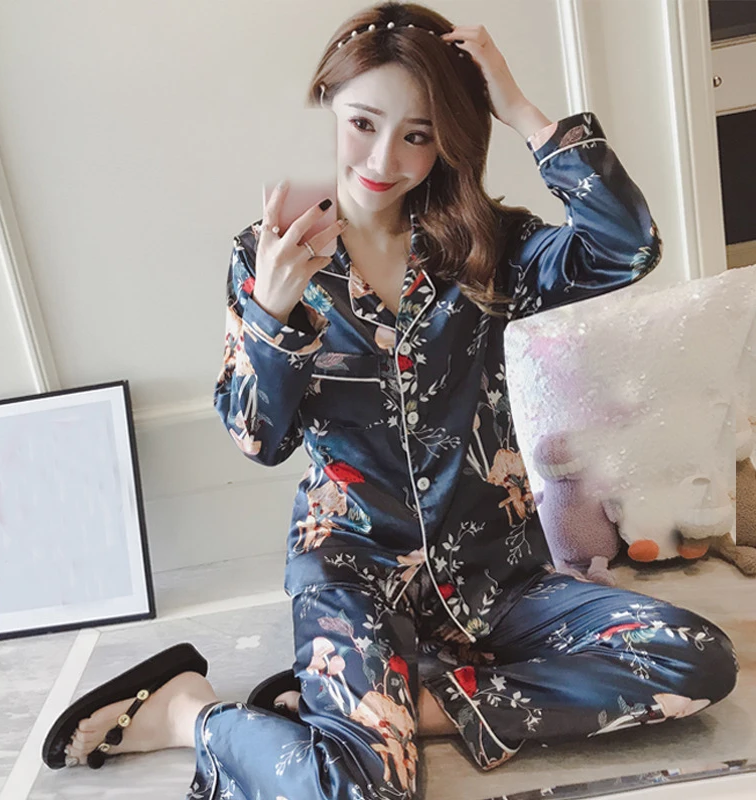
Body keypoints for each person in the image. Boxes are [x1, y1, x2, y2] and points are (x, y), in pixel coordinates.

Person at [49, 3, 738, 798]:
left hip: (498, 578)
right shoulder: (263, 255)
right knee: (363, 790)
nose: (384, 158)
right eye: (362, 123)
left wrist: (518, 107)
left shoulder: (487, 247)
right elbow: (259, 440)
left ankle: (413, 708)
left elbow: (627, 247)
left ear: (447, 139)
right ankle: (188, 713)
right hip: (353, 574)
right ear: (326, 108)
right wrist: (272, 313)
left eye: (418, 133)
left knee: (694, 659)